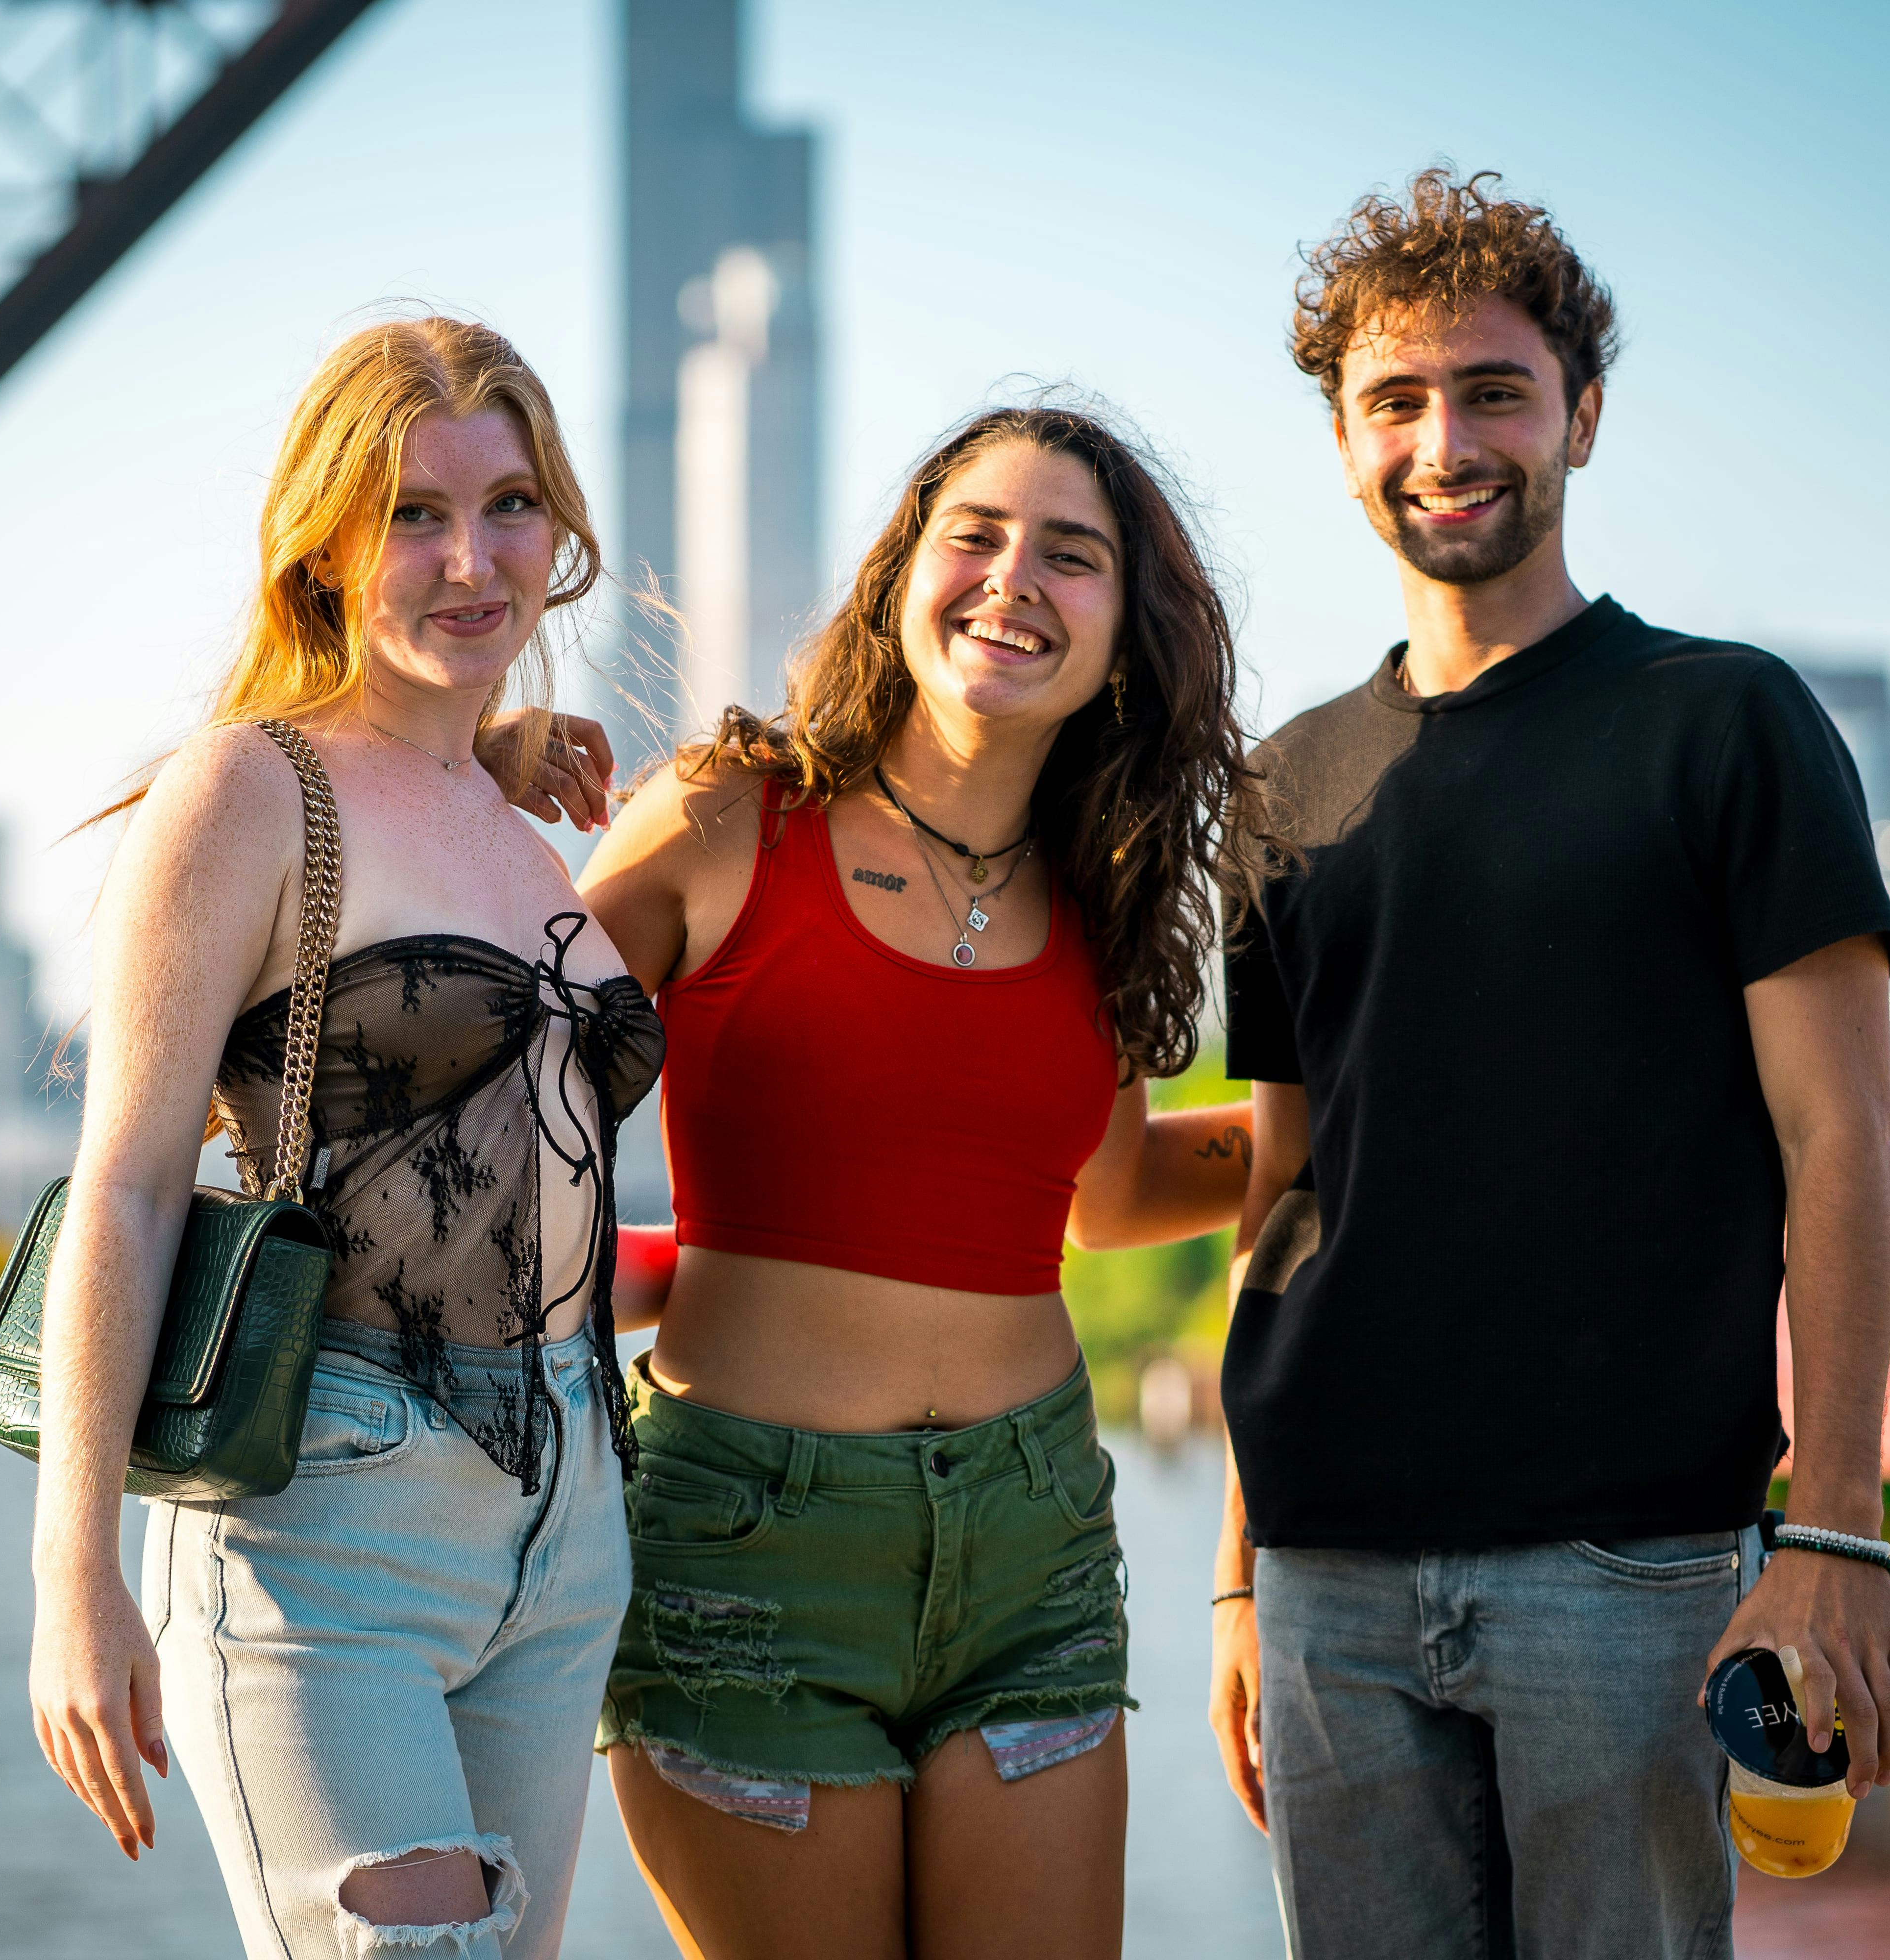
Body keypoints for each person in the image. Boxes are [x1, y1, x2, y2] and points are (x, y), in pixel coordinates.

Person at [1207, 171, 1890, 1957]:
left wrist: (1833, 1537)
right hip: (1327, 1581)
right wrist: (1238, 1564)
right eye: (1394, 402)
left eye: (1493, 392)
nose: (1443, 442)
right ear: (1344, 442)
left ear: (1580, 416)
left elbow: (1841, 1140)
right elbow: (1282, 1192)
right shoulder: (1282, 788)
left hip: (1633, 1578)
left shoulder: (1725, 719)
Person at [579, 403, 1269, 1959]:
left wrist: (1315, 1131)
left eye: (1072, 557)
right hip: (751, 1548)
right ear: (906, 570)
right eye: (977, 534)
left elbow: (1106, 1195)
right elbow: (493, 1094)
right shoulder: (727, 814)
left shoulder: (1099, 902)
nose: (1013, 577)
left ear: (1121, 636)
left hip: (1035, 1544)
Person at [24, 316, 662, 1960]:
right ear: (324, 546)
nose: (472, 558)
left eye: (510, 506)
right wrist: (72, 1579)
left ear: (561, 526)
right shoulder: (252, 791)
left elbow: (516, 1172)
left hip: (572, 1507)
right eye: (413, 516)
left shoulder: (522, 824)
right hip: (331, 1518)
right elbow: (131, 1184)